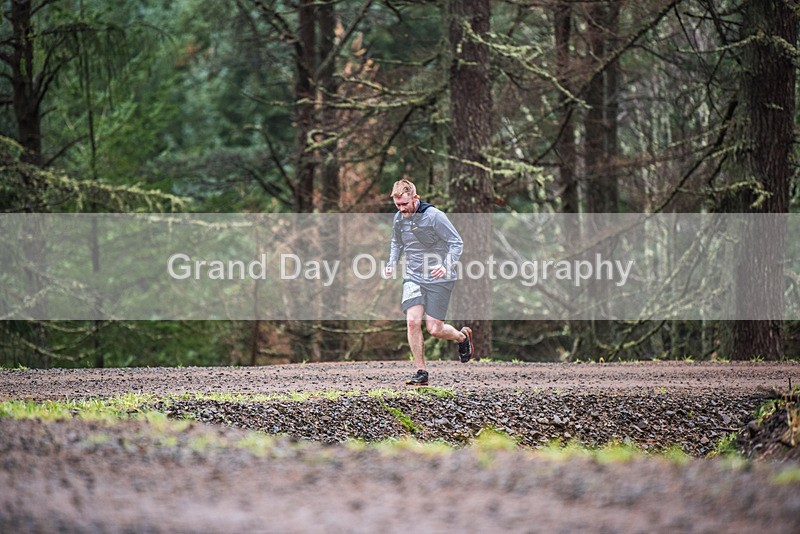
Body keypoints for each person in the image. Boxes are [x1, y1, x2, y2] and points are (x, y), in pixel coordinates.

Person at [384, 178, 473, 386]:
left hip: (439, 276)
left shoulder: (434, 216)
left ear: (416, 198)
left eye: (405, 204)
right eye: (397, 205)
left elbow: (456, 243)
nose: (401, 209)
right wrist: (391, 263)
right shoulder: (398, 218)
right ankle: (421, 371)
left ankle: (462, 337)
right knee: (413, 321)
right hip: (413, 275)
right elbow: (396, 243)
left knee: (434, 329)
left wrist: (446, 265)